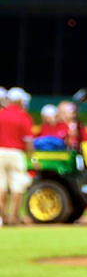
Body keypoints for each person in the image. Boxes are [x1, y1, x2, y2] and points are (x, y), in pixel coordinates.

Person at [0, 88, 36, 225]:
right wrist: (32, 158)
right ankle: (14, 217)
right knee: (17, 186)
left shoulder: (1, 114)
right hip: (16, 153)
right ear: (19, 100)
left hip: (0, 152)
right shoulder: (23, 116)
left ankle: (2, 217)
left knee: (1, 186)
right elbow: (28, 141)